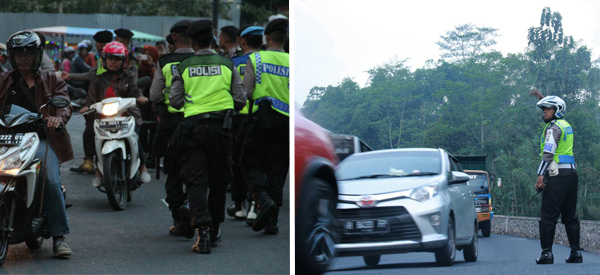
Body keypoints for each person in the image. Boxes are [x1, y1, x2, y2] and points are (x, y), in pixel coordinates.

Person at [169, 19, 246, 254]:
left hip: (192, 130)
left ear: (191, 41)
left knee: (196, 181)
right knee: (218, 182)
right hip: (222, 130)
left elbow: (174, 101)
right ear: (212, 40)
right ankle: (215, 229)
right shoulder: (226, 64)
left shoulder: (183, 66)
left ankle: (202, 234)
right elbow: (241, 101)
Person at [0, 31, 74, 257]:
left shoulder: (51, 79)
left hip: (42, 138)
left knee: (50, 180)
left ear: (37, 55)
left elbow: (65, 105)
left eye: (28, 53)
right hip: (5, 138)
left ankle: (59, 236)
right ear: (11, 57)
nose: (23, 58)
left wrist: (57, 119)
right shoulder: (3, 80)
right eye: (18, 54)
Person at [78, 41, 151, 187]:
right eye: (110, 58)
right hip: (104, 116)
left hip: (127, 114)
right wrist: (87, 107)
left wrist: (140, 98)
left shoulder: (129, 76)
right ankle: (99, 168)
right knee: (91, 133)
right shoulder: (98, 79)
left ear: (123, 61)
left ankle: (142, 166)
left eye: (117, 59)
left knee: (135, 136)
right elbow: (91, 98)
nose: (113, 62)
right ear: (104, 60)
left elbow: (135, 91)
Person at [240, 18, 289, 235]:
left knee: (249, 163)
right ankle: (272, 221)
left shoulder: (256, 59)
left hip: (261, 119)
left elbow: (248, 92)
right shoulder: (292, 61)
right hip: (286, 122)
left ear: (266, 38)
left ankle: (261, 198)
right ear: (285, 39)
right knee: (277, 169)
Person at [149, 19, 195, 237]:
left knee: (174, 170)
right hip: (200, 122)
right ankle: (197, 213)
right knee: (199, 171)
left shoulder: (165, 61)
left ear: (174, 38)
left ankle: (178, 216)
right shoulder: (206, 60)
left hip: (172, 125)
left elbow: (155, 95)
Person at [530, 90, 582, 264]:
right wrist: (542, 98)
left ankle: (547, 254)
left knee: (548, 215)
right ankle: (576, 253)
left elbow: (548, 153)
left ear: (557, 110)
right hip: (571, 174)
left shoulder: (553, 128)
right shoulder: (565, 125)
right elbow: (556, 106)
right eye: (543, 108)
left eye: (548, 109)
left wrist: (539, 177)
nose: (544, 111)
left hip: (556, 174)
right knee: (570, 215)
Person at [227, 25, 264, 223]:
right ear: (262, 41)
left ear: (242, 41)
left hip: (236, 118)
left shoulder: (232, 62)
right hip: (258, 117)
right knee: (256, 163)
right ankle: (254, 205)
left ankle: (239, 205)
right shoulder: (264, 62)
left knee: (237, 162)